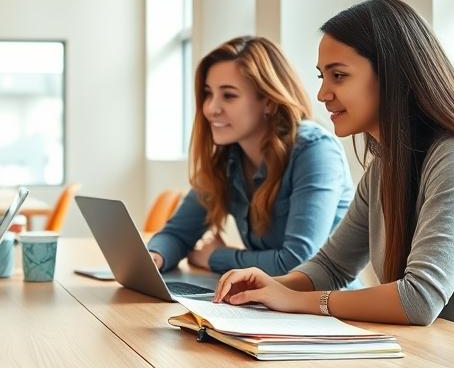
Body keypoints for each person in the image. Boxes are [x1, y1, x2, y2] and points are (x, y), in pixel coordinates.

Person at [214, 0, 454, 347]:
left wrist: (297, 301)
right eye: (323, 76)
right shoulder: (385, 166)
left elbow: (419, 299)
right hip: (432, 359)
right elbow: (332, 267)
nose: (322, 93)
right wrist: (270, 287)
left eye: (339, 75)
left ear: (393, 74)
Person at [146, 36, 353, 276]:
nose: (211, 108)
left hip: (324, 308)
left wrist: (216, 257)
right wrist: (155, 257)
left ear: (268, 101)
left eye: (229, 95)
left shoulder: (315, 150)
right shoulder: (228, 157)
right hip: (266, 306)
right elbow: (178, 233)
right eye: (207, 93)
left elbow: (298, 262)